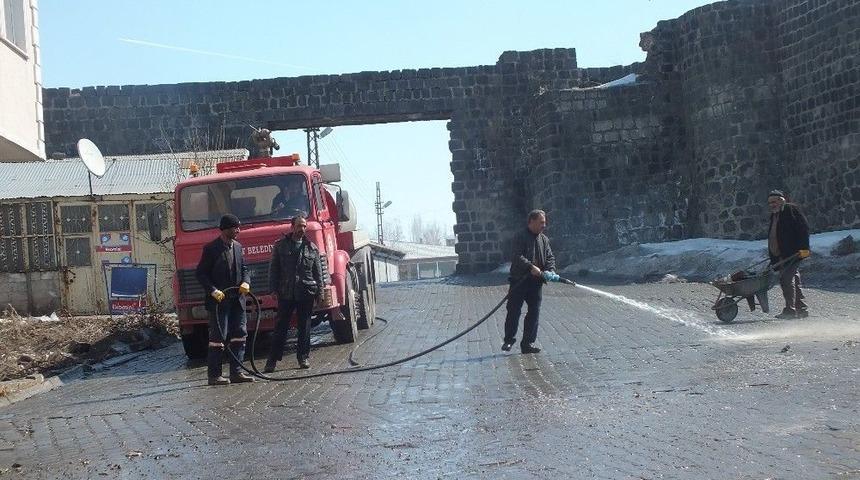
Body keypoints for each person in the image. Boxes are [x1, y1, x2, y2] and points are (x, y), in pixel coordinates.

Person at [195, 214, 255, 385]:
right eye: (236, 228)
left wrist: (246, 282)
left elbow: (244, 269)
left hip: (237, 300)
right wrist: (213, 290)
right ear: (225, 229)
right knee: (218, 338)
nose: (238, 231)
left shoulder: (238, 247)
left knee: (239, 335)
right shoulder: (211, 249)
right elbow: (201, 273)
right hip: (219, 303)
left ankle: (236, 373)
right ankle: (214, 375)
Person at [265, 215, 324, 371]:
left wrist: (320, 293)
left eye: (304, 226)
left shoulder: (312, 248)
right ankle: (272, 361)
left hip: (306, 292)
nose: (302, 229)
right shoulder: (280, 246)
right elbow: (274, 269)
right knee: (280, 328)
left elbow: (318, 273)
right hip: (286, 293)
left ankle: (303, 358)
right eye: (299, 226)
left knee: (305, 327)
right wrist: (273, 289)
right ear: (292, 227)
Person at [502, 209, 556, 354]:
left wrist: (550, 270)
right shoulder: (520, 236)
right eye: (541, 222)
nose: (544, 225)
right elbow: (516, 256)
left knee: (534, 312)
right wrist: (530, 267)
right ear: (531, 221)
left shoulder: (544, 239)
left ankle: (527, 343)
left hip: (536, 283)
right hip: (519, 281)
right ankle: (509, 340)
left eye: (544, 222)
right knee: (513, 311)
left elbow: (550, 257)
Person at [767, 190, 811, 319]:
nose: (772, 205)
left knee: (786, 280)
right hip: (780, 254)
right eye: (770, 203)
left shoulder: (790, 210)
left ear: (781, 200)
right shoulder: (774, 215)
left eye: (774, 201)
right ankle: (801, 308)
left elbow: (803, 229)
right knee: (793, 280)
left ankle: (790, 310)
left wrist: (804, 248)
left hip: (793, 252)